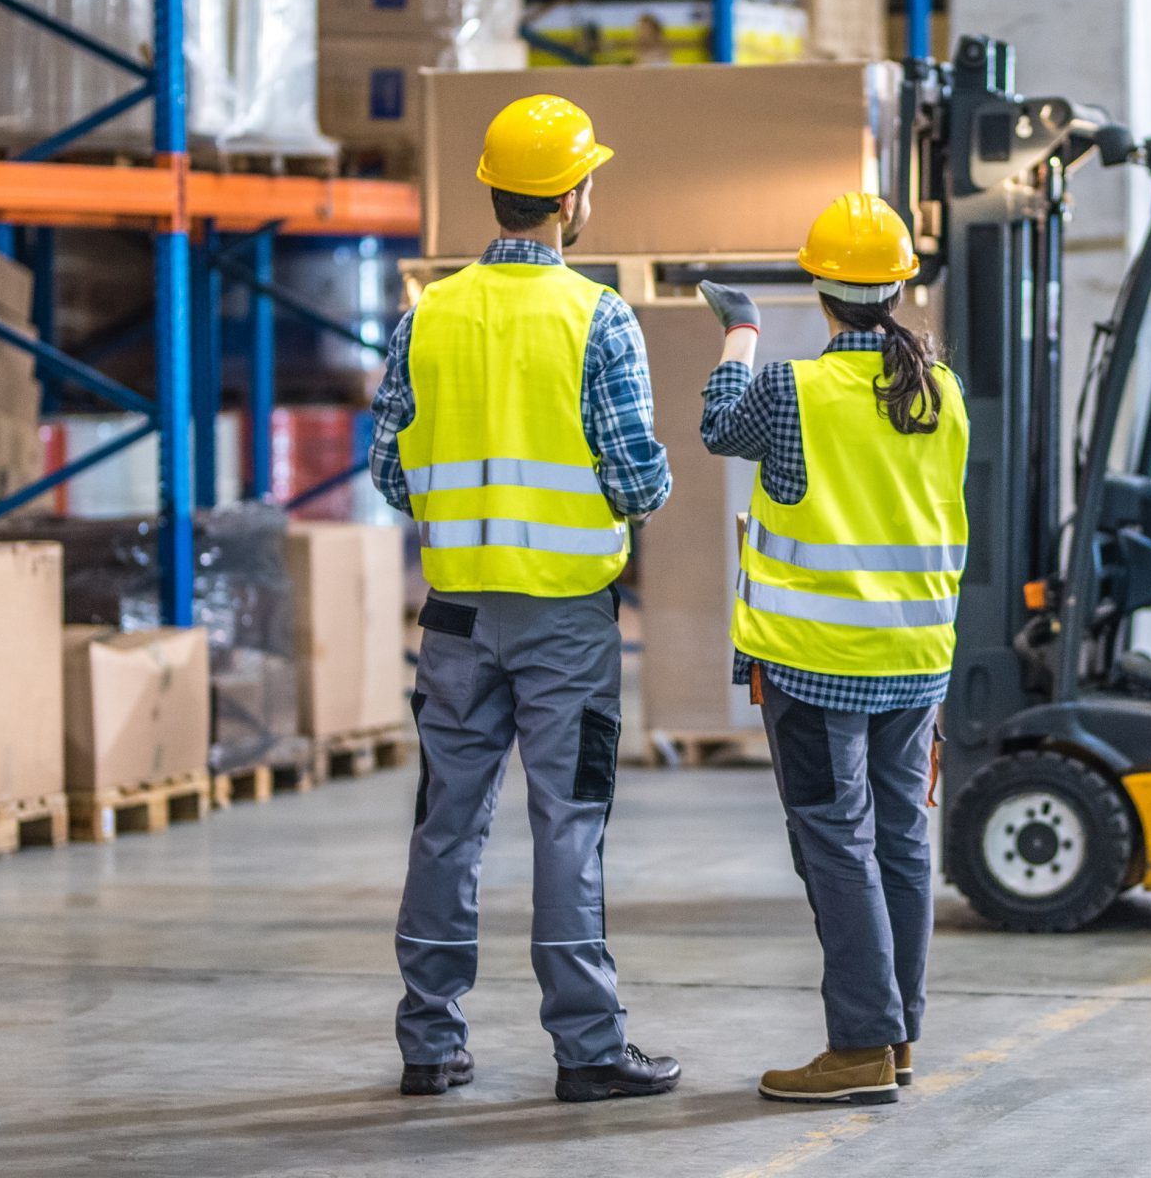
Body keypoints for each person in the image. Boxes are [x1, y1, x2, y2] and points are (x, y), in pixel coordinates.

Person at [367, 94, 683, 1105]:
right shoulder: (599, 317)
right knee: (568, 823)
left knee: (444, 823)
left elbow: (388, 473)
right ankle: (586, 1047)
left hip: (455, 615)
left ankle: (429, 1043)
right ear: (573, 195)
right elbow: (638, 482)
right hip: (564, 622)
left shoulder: (428, 314)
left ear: (493, 192)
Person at [695, 192, 969, 1107]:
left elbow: (717, 427)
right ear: (901, 283)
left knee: (835, 846)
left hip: (815, 664)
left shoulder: (792, 388)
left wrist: (740, 331)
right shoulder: (940, 390)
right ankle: (897, 1039)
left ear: (819, 285)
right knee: (899, 843)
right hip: (915, 660)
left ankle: (857, 1047)